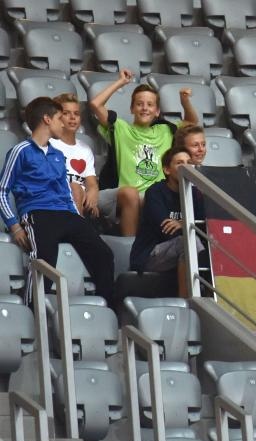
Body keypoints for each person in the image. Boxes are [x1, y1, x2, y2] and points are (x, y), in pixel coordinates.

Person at [0, 97, 115, 304]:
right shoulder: (20, 150)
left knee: (104, 254)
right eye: (60, 118)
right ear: (46, 119)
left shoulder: (58, 155)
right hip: (38, 212)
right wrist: (15, 226)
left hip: (66, 213)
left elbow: (65, 190)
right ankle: (32, 313)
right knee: (44, 260)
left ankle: (107, 310)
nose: (64, 123)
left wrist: (75, 216)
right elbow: (2, 191)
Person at [89, 69, 199, 236]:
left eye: (150, 104)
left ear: (157, 111)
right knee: (132, 193)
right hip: (126, 195)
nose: (144, 108)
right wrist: (121, 82)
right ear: (132, 108)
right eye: (139, 104)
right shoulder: (121, 128)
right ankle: (129, 246)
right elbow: (96, 104)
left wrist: (184, 102)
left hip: (155, 196)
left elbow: (191, 122)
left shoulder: (165, 130)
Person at [129, 147, 204, 295]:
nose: (186, 167)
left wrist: (183, 224)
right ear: (167, 170)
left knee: (195, 242)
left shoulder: (195, 194)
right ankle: (188, 301)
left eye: (189, 162)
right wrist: (190, 225)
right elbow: (165, 229)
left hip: (181, 250)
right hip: (150, 254)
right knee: (188, 242)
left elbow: (204, 227)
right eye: (179, 163)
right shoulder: (156, 192)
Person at [51, 93, 100, 218]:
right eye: (66, 113)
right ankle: (78, 232)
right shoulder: (50, 144)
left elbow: (91, 182)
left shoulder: (85, 149)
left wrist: (92, 193)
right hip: (58, 199)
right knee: (75, 188)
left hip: (82, 201)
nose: (72, 117)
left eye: (76, 114)